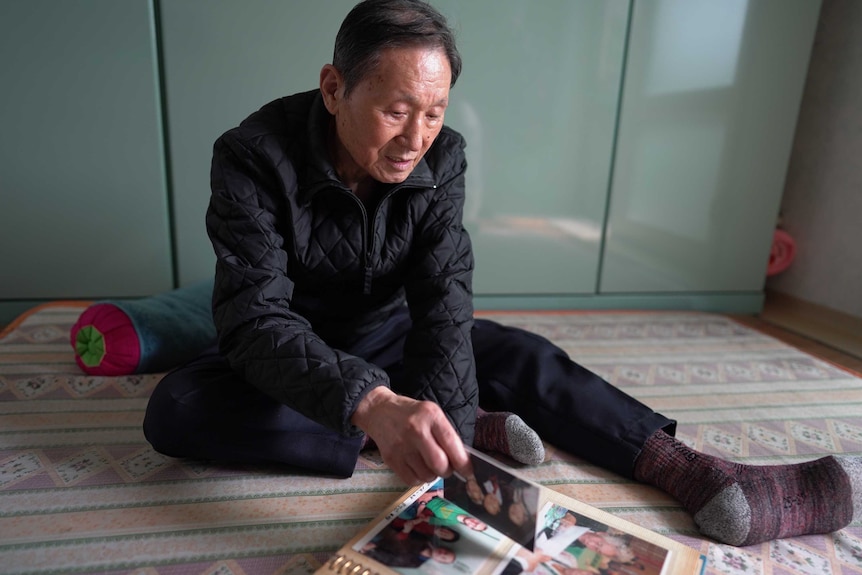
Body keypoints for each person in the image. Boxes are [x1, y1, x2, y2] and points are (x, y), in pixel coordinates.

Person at [143, 0, 861, 549]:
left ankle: (690, 468)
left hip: (391, 334)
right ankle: (388, 431)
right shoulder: (250, 156)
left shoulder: (440, 156)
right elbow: (253, 318)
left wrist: (450, 438)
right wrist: (372, 407)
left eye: (433, 112)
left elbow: (443, 292)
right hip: (299, 352)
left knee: (516, 352)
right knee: (177, 409)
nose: (415, 138)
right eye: (395, 110)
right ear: (333, 88)